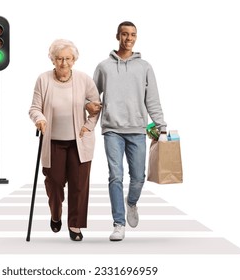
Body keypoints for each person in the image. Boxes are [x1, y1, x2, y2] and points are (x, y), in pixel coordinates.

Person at [87, 21, 168, 241]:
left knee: (138, 177)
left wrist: (161, 126)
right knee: (115, 176)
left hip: (137, 130)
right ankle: (118, 223)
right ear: (117, 36)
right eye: (124, 34)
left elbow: (153, 101)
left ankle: (131, 202)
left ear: (136, 37)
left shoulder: (145, 67)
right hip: (112, 129)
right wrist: (88, 124)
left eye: (132, 34)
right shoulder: (103, 66)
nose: (128, 38)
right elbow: (93, 98)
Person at [29, 39, 101, 241]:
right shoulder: (43, 80)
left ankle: (75, 225)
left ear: (74, 60)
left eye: (68, 58)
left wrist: (89, 125)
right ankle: (55, 214)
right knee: (54, 183)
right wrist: (40, 119)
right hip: (52, 142)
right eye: (59, 58)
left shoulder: (84, 79)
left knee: (79, 185)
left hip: (79, 142)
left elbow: (96, 106)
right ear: (52, 59)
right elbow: (34, 108)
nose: (64, 63)